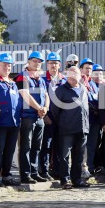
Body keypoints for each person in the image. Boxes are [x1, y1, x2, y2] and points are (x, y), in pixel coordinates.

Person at [51, 66, 90, 189]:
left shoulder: (83, 89)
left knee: (78, 156)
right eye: (70, 76)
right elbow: (55, 110)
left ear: (80, 76)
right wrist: (64, 121)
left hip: (82, 128)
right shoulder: (61, 90)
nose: (72, 78)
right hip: (67, 128)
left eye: (75, 75)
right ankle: (65, 180)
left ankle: (77, 179)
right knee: (64, 155)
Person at [0, 53, 22, 187]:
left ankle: (6, 174)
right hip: (0, 122)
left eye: (9, 65)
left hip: (13, 122)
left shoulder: (13, 84)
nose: (7, 67)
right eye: (4, 65)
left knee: (10, 150)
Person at [15, 51, 49, 184]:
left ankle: (34, 172)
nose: (37, 63)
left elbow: (46, 95)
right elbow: (25, 94)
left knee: (36, 146)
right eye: (35, 61)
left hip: (39, 117)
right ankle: (25, 174)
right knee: (26, 146)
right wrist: (39, 108)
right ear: (28, 62)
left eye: (40, 62)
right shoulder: (22, 77)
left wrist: (45, 108)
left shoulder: (40, 79)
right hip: (27, 116)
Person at [40, 52, 66, 181]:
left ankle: (57, 170)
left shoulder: (64, 79)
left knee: (59, 145)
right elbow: (40, 98)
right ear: (47, 65)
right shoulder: (42, 79)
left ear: (59, 65)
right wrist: (44, 116)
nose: (53, 66)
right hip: (48, 117)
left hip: (61, 118)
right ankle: (43, 170)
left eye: (55, 63)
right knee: (46, 145)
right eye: (51, 63)